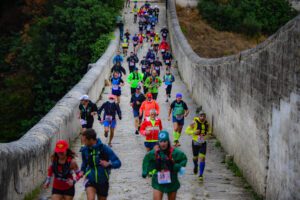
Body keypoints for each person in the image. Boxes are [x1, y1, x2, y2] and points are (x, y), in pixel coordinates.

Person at [142, 131, 187, 200]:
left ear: (168, 141)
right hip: (158, 180)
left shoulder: (175, 152)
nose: (163, 144)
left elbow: (184, 159)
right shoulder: (154, 152)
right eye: (161, 141)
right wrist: (145, 171)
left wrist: (177, 167)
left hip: (172, 180)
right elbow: (146, 159)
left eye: (165, 141)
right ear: (158, 142)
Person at [80, 129, 121, 200]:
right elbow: (84, 163)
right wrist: (82, 171)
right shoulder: (84, 150)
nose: (83, 143)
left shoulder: (104, 149)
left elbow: (118, 163)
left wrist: (109, 164)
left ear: (91, 140)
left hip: (103, 180)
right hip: (90, 179)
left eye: (85, 140)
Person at [185, 112, 211, 181]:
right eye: (201, 116)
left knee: (202, 158)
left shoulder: (207, 124)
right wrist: (194, 132)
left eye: (204, 116)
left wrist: (206, 135)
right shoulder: (194, 123)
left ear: (205, 117)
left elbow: (209, 132)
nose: (202, 117)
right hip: (195, 143)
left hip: (203, 143)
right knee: (195, 157)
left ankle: (200, 174)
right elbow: (186, 131)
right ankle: (195, 165)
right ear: (199, 116)